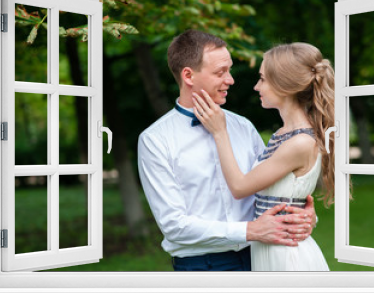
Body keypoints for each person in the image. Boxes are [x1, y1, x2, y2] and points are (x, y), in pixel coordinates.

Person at [138, 30, 317, 271]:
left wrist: (303, 215)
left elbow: (270, 187)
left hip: (262, 258)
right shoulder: (155, 140)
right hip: (205, 266)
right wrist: (249, 230)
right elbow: (174, 226)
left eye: (229, 70)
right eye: (220, 72)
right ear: (189, 75)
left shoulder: (243, 127)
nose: (231, 79)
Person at [192, 42, 334, 271]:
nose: (256, 86)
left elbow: (239, 187)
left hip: (286, 256)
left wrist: (219, 132)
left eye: (263, 79)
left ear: (284, 85)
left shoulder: (300, 143)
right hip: (269, 248)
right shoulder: (283, 134)